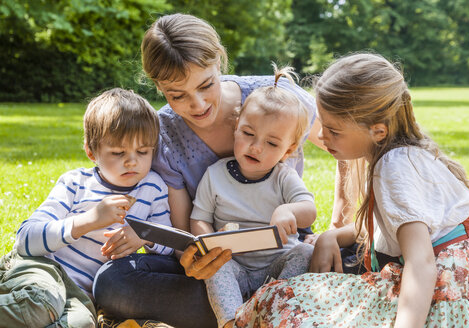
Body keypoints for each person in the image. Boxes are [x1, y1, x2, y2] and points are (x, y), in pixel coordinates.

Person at [93, 13, 330, 328]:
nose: (198, 104)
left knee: (341, 253)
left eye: (206, 85)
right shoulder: (165, 134)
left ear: (219, 60)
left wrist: (338, 225)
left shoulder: (273, 97)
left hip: (282, 257)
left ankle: (266, 307)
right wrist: (194, 259)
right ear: (158, 86)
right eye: (177, 95)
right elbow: (188, 232)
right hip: (219, 269)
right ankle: (269, 311)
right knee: (112, 282)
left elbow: (346, 142)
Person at [234, 53, 469, 327]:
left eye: (334, 131)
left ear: (378, 131)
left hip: (447, 292)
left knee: (280, 302)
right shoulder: (405, 154)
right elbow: (398, 225)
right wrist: (333, 236)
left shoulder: (394, 168)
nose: (322, 137)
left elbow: (420, 262)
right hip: (463, 281)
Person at [0, 88, 172, 327]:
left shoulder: (153, 188)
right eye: (118, 152)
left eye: (143, 151)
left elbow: (169, 245)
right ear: (91, 151)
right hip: (44, 270)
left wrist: (144, 236)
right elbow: (25, 240)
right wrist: (89, 220)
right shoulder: (75, 183)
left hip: (80, 293)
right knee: (42, 305)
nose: (132, 160)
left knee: (82, 324)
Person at [191, 65, 317, 328]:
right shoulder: (214, 175)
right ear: (236, 126)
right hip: (233, 263)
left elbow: (309, 209)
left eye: (272, 143)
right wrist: (208, 240)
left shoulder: (282, 176)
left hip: (276, 265)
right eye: (248, 133)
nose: (256, 147)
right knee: (217, 268)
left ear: (288, 149)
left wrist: (290, 211)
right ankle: (231, 322)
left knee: (305, 252)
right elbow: (199, 219)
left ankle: (276, 314)